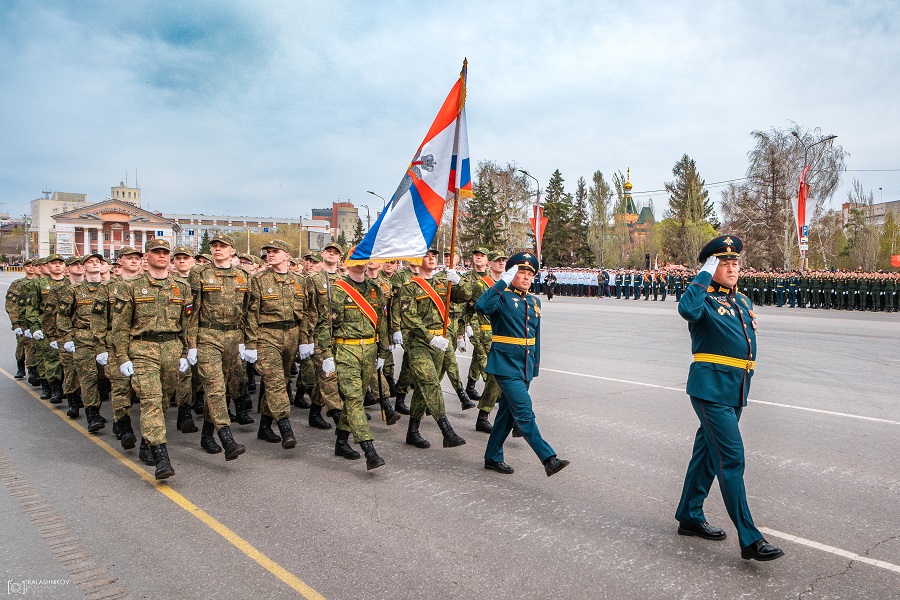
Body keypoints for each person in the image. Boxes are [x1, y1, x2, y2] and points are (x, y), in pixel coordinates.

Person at [674, 235, 783, 562]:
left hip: (735, 389)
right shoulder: (702, 299)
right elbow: (686, 310)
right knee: (732, 458)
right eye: (724, 262)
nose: (733, 268)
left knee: (707, 455)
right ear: (710, 266)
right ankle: (750, 538)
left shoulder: (743, 301)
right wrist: (703, 275)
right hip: (710, 389)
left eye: (735, 262)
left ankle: (689, 516)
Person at [475, 251, 569, 477]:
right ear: (511, 274)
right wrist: (502, 281)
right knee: (524, 412)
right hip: (505, 365)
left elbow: (535, 338)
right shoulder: (501, 297)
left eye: (529, 274)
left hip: (524, 366)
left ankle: (492, 457)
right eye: (520, 272)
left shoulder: (534, 301)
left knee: (507, 415)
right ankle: (549, 458)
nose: (526, 277)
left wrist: (534, 368)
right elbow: (481, 306)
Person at [110, 239, 193, 479]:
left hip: (171, 348)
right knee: (151, 400)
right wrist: (122, 356)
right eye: (156, 252)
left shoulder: (181, 287)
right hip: (142, 348)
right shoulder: (131, 286)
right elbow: (120, 326)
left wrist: (186, 352)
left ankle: (147, 443)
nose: (161, 256)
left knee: (165, 399)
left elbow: (185, 324)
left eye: (165, 253)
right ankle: (161, 457)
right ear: (147, 257)